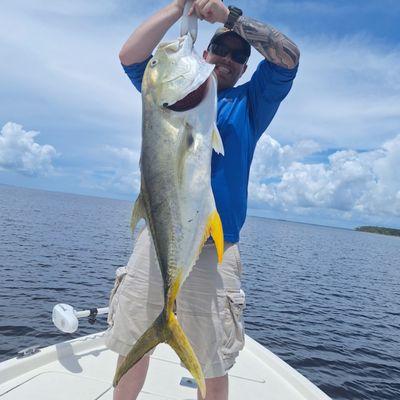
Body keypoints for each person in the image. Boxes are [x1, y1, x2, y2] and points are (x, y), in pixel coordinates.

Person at [105, 1, 300, 399]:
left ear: (246, 67)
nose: (228, 59)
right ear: (205, 54)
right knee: (132, 343)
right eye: (221, 50)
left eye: (239, 56)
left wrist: (231, 19)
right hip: (159, 241)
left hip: (217, 246)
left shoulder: (250, 103)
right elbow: (130, 56)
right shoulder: (165, 91)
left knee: (212, 361)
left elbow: (288, 58)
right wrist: (179, 7)